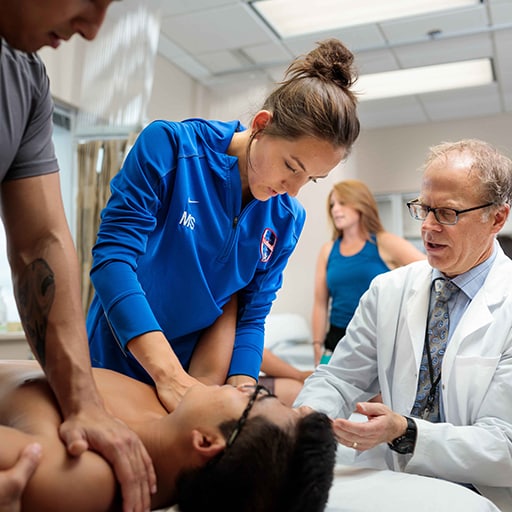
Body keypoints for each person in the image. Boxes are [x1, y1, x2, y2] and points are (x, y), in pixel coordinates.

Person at [86, 38, 361, 411]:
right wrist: (168, 376)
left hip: (193, 376)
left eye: (311, 179)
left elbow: (252, 314)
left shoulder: (285, 219)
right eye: (292, 167)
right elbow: (112, 261)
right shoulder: (171, 147)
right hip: (114, 357)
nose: (292, 191)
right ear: (262, 125)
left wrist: (242, 391)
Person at [295, 139, 512, 510]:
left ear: (497, 218)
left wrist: (407, 432)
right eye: (424, 208)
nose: (427, 226)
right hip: (392, 478)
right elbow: (339, 378)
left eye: (447, 213)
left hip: (480, 492)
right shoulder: (389, 290)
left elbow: (504, 445)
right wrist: (306, 420)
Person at [0, 2, 156, 510]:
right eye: (89, 0)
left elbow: (39, 241)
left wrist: (84, 403)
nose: (92, 30)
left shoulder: (24, 77)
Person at [0, 360, 336, 512]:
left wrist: (56, 404)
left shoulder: (95, 478)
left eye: (255, 397)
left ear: (206, 441)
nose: (246, 384)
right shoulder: (170, 412)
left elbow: (30, 460)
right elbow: (210, 361)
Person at [311, 179, 425, 365]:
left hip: (377, 338)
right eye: (332, 205)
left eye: (342, 203)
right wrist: (316, 345)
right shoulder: (328, 250)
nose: (335, 209)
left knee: (375, 395)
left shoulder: (385, 242)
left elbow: (430, 271)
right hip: (337, 338)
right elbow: (320, 303)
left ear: (360, 203)